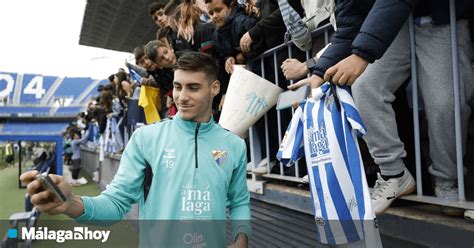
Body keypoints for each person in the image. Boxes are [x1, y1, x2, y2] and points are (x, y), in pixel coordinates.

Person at [20, 52, 251, 247]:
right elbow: (115, 203)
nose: (182, 97)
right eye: (177, 87)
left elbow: (239, 201)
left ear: (215, 88)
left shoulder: (234, 145)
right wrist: (71, 204)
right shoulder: (146, 138)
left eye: (193, 88)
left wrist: (242, 238)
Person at [289, 0, 473, 216]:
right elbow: (351, 25)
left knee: (445, 103)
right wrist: (319, 73)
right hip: (395, 26)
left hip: (441, 18)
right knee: (366, 87)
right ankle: (393, 174)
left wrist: (361, 55)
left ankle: (447, 182)